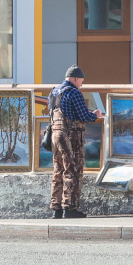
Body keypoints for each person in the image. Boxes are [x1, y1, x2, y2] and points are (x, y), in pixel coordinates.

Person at [49, 66, 103, 219]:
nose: (81, 85)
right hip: (71, 137)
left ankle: (56, 208)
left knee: (58, 171)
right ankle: (70, 208)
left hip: (56, 135)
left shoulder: (53, 92)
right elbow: (83, 116)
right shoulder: (74, 92)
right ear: (76, 79)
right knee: (72, 170)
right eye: (81, 82)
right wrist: (95, 114)